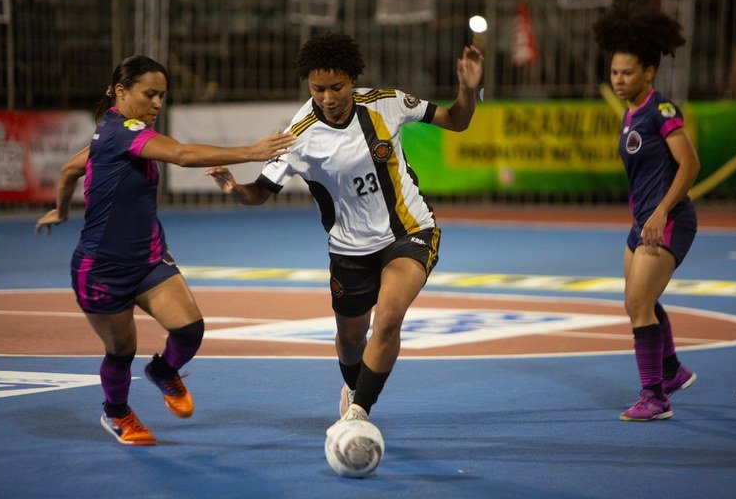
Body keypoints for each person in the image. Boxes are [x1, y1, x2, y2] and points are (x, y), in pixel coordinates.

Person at [205, 33, 483, 432]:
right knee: (351, 341)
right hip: (349, 250)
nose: (328, 97)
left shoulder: (386, 103)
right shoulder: (298, 135)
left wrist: (467, 90)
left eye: (337, 87)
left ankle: (359, 413)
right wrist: (234, 188)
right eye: (318, 89)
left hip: (409, 232)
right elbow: (260, 193)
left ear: (353, 79)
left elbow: (457, 120)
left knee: (388, 319)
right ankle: (354, 391)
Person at [35, 55, 295, 445]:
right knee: (121, 350)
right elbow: (183, 155)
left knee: (190, 330)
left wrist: (63, 209)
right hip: (101, 268)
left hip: (149, 257)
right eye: (150, 94)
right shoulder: (121, 130)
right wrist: (254, 152)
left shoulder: (110, 134)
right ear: (121, 92)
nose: (158, 103)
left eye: (162, 96)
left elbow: (70, 169)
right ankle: (117, 412)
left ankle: (162, 370)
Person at [593, 4, 701, 421]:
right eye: (615, 73)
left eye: (628, 73)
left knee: (640, 302)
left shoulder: (662, 111)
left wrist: (659, 213)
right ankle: (671, 369)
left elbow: (690, 165)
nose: (619, 80)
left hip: (668, 221)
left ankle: (655, 397)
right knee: (639, 300)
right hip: (642, 224)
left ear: (649, 73)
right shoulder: (630, 112)